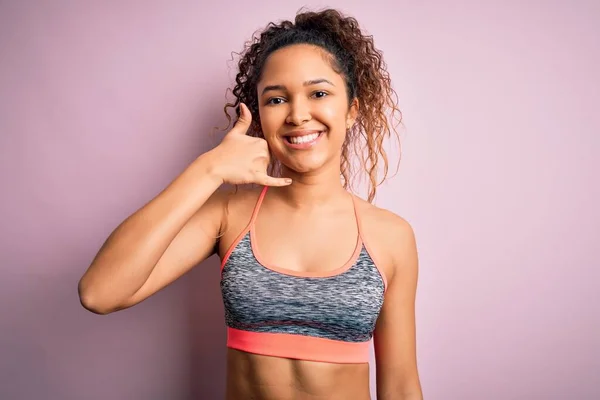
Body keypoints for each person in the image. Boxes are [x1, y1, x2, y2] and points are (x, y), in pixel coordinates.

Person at [78, 8, 422, 400]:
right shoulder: (229, 214)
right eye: (276, 99)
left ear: (352, 109)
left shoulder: (391, 236)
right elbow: (99, 293)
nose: (298, 115)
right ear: (259, 115)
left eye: (319, 93)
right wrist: (208, 170)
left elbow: (400, 385)